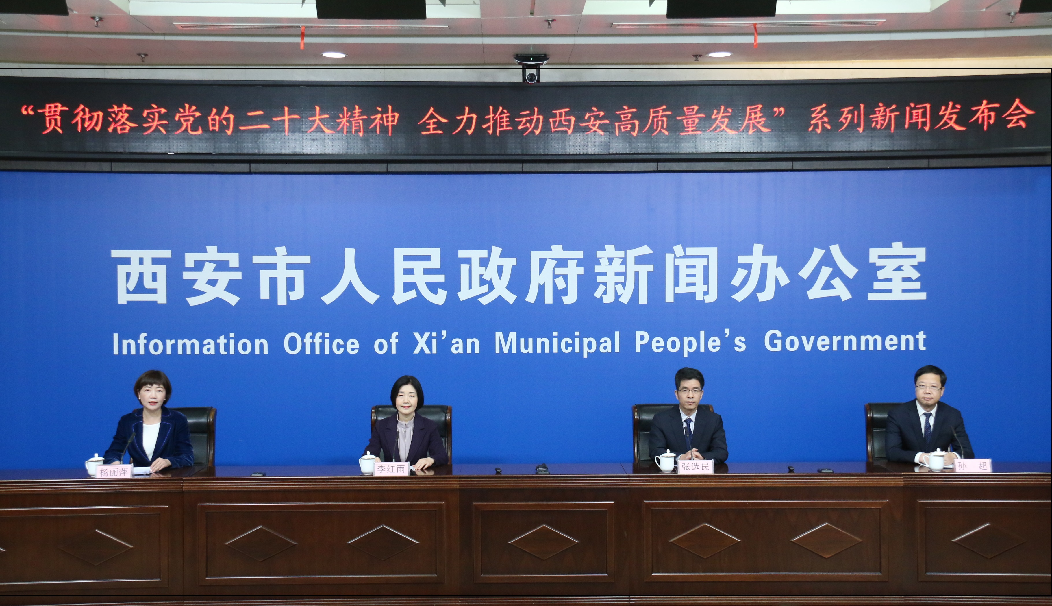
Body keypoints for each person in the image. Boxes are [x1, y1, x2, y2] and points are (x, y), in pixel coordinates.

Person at [103, 370, 195, 471]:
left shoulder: (177, 419)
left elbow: (188, 457)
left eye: (159, 390)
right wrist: (114, 462)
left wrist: (168, 461)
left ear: (165, 395)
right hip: (139, 478)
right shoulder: (127, 421)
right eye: (147, 390)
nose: (153, 396)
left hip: (168, 477)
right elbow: (113, 453)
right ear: (139, 394)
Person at [885, 364, 974, 465]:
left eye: (933, 387)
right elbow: (892, 452)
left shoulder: (952, 415)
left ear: (942, 391)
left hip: (940, 472)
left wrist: (954, 457)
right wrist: (921, 457)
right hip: (908, 470)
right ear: (915, 388)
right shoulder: (898, 414)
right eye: (922, 386)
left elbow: (967, 452)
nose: (927, 391)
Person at [363, 375, 448, 471]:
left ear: (418, 399)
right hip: (392, 479)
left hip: (417, 478)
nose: (406, 401)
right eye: (401, 395)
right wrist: (372, 458)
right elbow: (369, 452)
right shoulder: (382, 426)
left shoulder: (429, 426)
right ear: (394, 398)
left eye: (411, 396)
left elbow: (442, 456)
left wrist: (430, 460)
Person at [648, 367, 728, 464]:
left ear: (701, 394)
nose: (690, 395)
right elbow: (655, 451)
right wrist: (680, 457)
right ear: (677, 394)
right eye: (685, 390)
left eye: (695, 390)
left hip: (702, 472)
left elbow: (721, 452)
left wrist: (702, 458)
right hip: (673, 472)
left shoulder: (713, 420)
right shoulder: (661, 420)